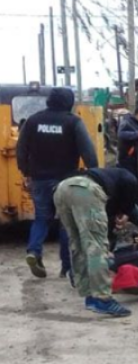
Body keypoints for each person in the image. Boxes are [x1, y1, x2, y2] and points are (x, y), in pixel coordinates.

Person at [16, 87, 99, 279]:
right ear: (69, 102)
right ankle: (67, 267)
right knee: (66, 222)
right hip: (65, 180)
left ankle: (34, 251)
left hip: (39, 179)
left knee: (41, 218)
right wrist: (94, 170)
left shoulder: (33, 120)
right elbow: (87, 150)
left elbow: (21, 148)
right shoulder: (73, 122)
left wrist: (26, 171)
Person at [53, 167, 138, 317]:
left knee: (78, 243)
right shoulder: (130, 179)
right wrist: (125, 213)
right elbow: (129, 206)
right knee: (97, 246)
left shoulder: (112, 177)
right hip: (85, 190)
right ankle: (102, 298)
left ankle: (89, 294)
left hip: (62, 189)